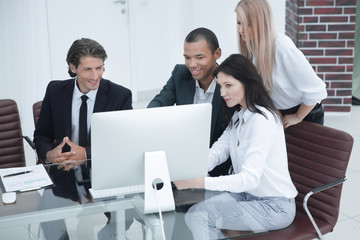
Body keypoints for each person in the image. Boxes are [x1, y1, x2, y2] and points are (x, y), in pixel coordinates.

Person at [174, 54, 298, 239]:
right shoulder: (239, 117)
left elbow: (249, 179)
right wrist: (189, 170)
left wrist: (199, 182)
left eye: (228, 85)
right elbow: (217, 152)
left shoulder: (263, 120)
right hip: (246, 196)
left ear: (247, 83)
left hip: (274, 207)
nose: (222, 92)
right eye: (221, 86)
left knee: (201, 218)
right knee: (193, 213)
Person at [34, 38, 132, 239]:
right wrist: (49, 154)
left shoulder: (120, 95)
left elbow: (124, 142)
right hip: (64, 171)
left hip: (104, 171)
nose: (95, 76)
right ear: (72, 67)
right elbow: (41, 134)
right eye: (87, 69)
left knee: (127, 212)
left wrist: (85, 153)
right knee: (46, 211)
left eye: (100, 68)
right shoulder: (55, 91)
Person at [148, 27, 234, 176]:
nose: (192, 64)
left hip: (218, 169)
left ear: (217, 54)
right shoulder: (180, 74)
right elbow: (159, 103)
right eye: (187, 57)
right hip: (182, 163)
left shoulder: (229, 83)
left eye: (199, 57)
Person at [235, 0, 327, 128]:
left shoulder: (283, 49)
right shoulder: (251, 47)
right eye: (239, 23)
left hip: (305, 114)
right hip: (279, 113)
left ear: (262, 23)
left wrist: (297, 117)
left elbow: (316, 90)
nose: (240, 30)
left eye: (248, 24)